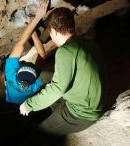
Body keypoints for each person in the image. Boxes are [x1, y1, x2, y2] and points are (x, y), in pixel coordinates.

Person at [19, 7, 106, 136]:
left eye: (50, 32)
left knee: (38, 133)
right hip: (89, 100)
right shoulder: (89, 44)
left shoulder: (64, 52)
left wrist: (29, 105)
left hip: (81, 114)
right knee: (41, 76)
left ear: (54, 31)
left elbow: (58, 88)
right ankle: (47, 106)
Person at [3, 0, 52, 104]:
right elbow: (42, 55)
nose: (30, 63)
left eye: (27, 64)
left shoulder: (10, 72)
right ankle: (49, 30)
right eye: (32, 65)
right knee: (38, 52)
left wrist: (36, 19)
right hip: (23, 100)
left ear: (17, 71)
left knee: (6, 70)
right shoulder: (35, 85)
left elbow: (20, 42)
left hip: (10, 96)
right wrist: (33, 33)